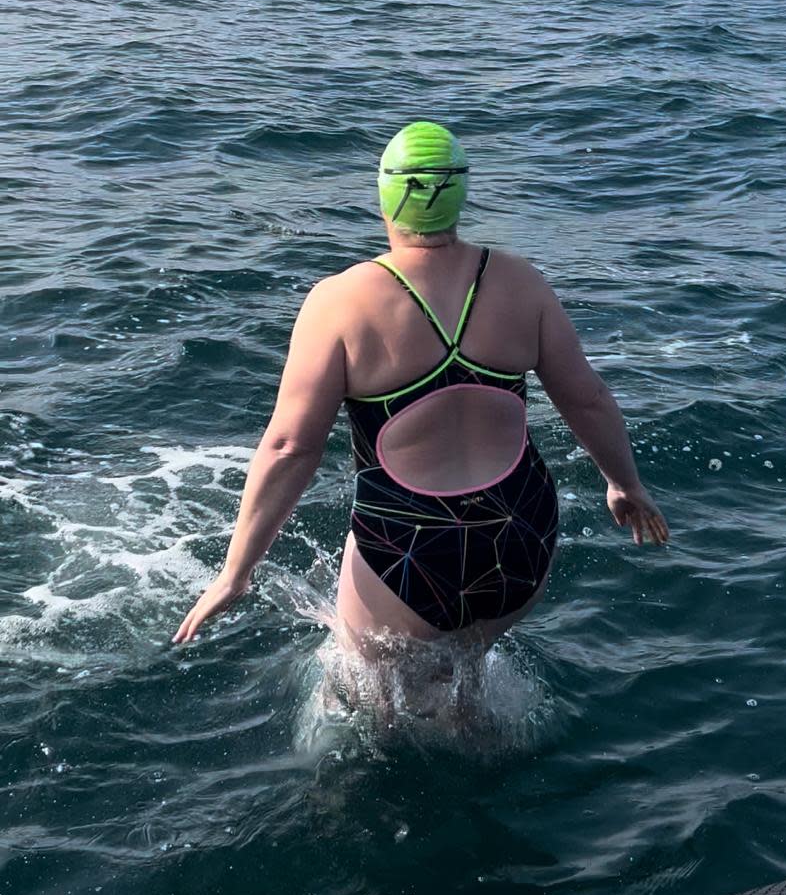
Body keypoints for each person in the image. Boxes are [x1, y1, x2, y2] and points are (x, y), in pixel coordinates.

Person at [173, 121, 668, 649]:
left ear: (386, 196)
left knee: (364, 697)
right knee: (471, 664)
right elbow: (587, 399)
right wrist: (625, 485)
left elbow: (292, 446)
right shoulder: (521, 282)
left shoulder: (341, 303)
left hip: (408, 552)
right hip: (522, 541)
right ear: (460, 194)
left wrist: (235, 573)